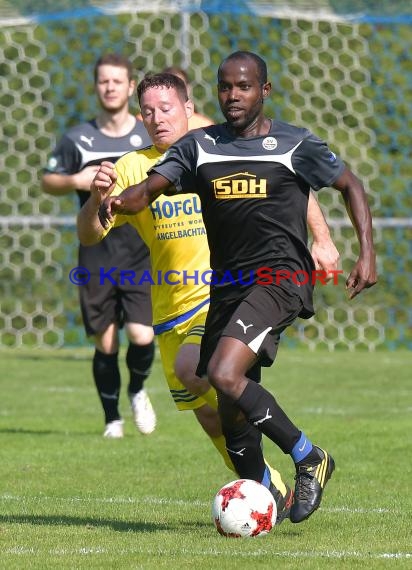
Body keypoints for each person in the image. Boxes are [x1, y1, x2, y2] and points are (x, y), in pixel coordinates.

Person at [78, 70, 344, 524]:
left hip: (222, 293)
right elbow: (90, 234)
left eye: (167, 109)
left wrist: (321, 238)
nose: (158, 118)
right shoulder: (131, 168)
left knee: (199, 369)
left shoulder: (217, 146)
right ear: (139, 118)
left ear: (187, 108)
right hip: (169, 311)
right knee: (211, 417)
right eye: (148, 112)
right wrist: (96, 198)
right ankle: (265, 490)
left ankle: (303, 457)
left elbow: (286, 181)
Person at [41, 53, 157, 439]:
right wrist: (79, 180)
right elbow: (48, 180)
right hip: (96, 250)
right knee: (105, 342)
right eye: (103, 81)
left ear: (129, 87)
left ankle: (138, 389)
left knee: (142, 335)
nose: (109, 87)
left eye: (117, 81)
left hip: (140, 250)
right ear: (97, 87)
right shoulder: (78, 138)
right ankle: (112, 419)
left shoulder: (146, 136)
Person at [137, 66, 214, 130]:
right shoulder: (140, 123)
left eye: (165, 109)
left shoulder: (204, 126)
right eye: (167, 86)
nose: (157, 120)